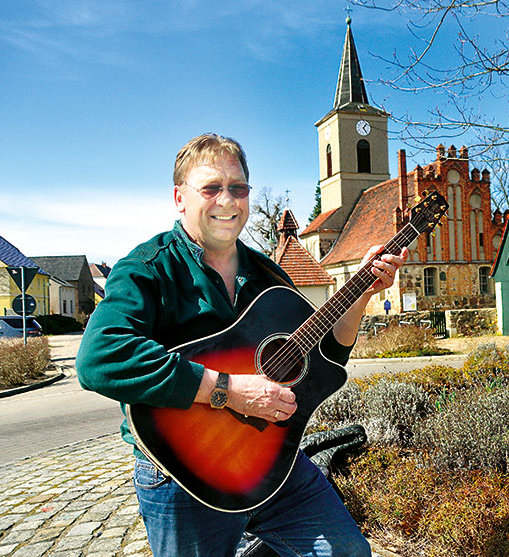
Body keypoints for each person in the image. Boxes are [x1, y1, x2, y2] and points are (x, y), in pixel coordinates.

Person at [76, 133, 407, 557]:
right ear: (179, 198)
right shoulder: (148, 269)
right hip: (184, 473)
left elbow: (323, 359)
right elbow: (99, 358)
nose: (228, 201)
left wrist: (361, 293)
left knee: (349, 553)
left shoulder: (268, 275)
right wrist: (229, 390)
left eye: (238, 188)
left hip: (271, 458)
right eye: (211, 187)